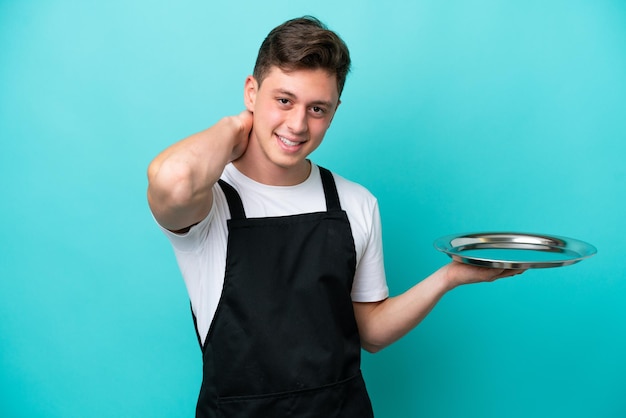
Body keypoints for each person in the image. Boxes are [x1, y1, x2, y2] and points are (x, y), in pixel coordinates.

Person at [147, 16, 524, 417]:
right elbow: (173, 180)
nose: (297, 124)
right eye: (284, 100)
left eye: (317, 109)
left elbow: (373, 334)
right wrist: (236, 126)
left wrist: (450, 277)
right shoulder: (210, 202)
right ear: (251, 91)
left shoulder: (354, 202)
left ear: (335, 110)